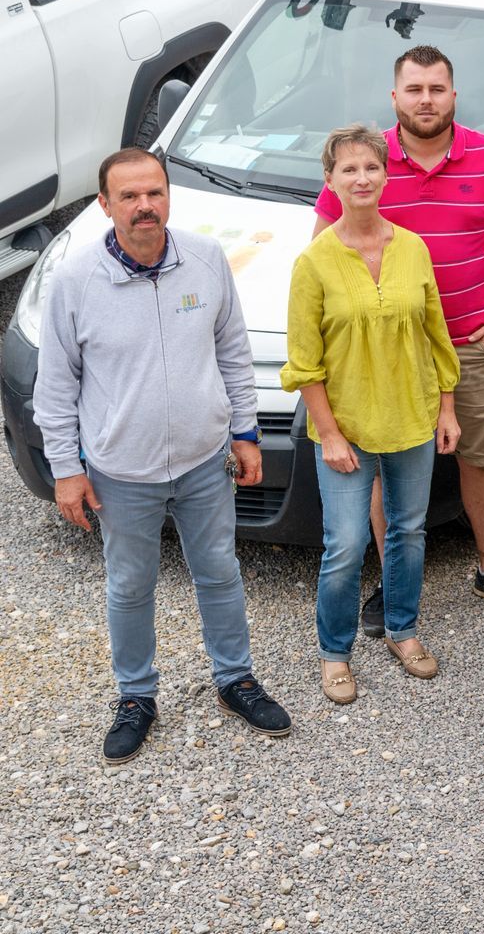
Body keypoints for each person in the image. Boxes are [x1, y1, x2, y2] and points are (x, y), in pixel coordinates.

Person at [35, 148, 293, 764]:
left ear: (168, 196)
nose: (144, 205)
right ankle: (135, 696)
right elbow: (55, 389)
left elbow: (232, 350)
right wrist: (67, 470)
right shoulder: (74, 283)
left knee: (220, 572)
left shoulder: (205, 259)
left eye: (154, 192)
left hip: (206, 461)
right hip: (121, 473)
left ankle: (236, 678)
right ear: (105, 205)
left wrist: (246, 433)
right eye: (128, 196)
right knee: (129, 585)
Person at [314, 45, 484, 631]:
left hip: (469, 345)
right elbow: (322, 252)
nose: (426, 100)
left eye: (437, 89)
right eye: (415, 89)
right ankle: (393, 581)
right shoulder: (366, 163)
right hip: (382, 354)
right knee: (383, 462)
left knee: (482, 455)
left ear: (454, 94)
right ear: (394, 97)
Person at [284, 125, 462, 705]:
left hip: (411, 417)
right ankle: (335, 652)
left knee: (409, 532)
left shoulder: (412, 247)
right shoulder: (314, 262)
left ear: (386, 175)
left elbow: (436, 336)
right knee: (345, 544)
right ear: (329, 181)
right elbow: (304, 363)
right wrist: (329, 434)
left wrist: (447, 407)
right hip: (348, 429)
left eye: (370, 167)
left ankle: (402, 631)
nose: (361, 178)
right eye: (348, 169)